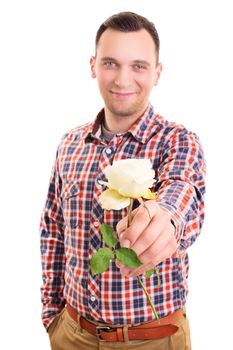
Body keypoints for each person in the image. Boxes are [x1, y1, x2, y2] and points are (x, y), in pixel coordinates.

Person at [40, 11, 206, 350]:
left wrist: (166, 220)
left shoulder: (178, 141)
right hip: (73, 334)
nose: (123, 79)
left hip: (154, 340)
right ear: (93, 66)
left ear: (157, 73)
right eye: (111, 63)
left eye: (139, 66)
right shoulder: (70, 144)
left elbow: (182, 189)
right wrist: (52, 317)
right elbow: (53, 229)